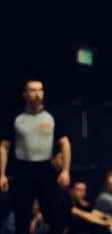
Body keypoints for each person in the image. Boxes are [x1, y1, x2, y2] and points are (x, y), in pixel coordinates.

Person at [0, 78, 71, 234]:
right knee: (22, 217)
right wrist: (2, 174)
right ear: (24, 94)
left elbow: (65, 143)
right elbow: (4, 146)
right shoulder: (15, 117)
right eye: (32, 90)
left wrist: (65, 171)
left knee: (55, 217)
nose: (37, 94)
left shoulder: (52, 116)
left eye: (40, 89)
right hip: (23, 170)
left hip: (46, 169)